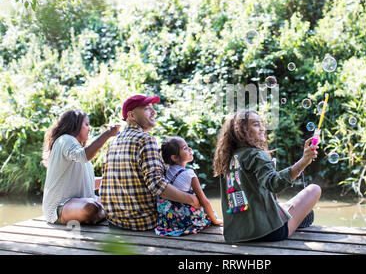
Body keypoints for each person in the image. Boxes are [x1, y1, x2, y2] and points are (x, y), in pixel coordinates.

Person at [213, 109, 321, 243]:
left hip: (237, 235)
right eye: (256, 124)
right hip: (269, 232)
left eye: (262, 124)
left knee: (283, 205)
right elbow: (274, 184)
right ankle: (298, 218)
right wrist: (303, 162)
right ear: (241, 130)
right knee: (314, 189)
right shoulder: (256, 154)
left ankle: (290, 214)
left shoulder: (228, 159)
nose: (263, 128)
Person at [100, 95, 200, 231]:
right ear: (131, 115)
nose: (154, 112)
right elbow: (157, 185)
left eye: (153, 108)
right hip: (144, 221)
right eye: (147, 109)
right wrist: (191, 199)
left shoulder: (114, 142)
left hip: (116, 221)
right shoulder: (145, 139)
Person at [42, 109, 120, 225]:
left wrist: (110, 180)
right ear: (75, 124)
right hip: (60, 207)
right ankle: (104, 210)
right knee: (90, 208)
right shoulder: (65, 139)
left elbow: (88, 183)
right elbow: (84, 155)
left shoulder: (78, 151)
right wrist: (108, 133)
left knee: (116, 201)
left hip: (83, 202)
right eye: (86, 124)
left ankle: (102, 210)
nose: (89, 129)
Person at [155, 137, 222, 236]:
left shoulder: (166, 170)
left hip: (169, 220)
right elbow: (204, 201)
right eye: (185, 148)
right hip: (185, 220)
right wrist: (215, 221)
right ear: (175, 157)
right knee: (210, 214)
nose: (190, 149)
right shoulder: (189, 174)